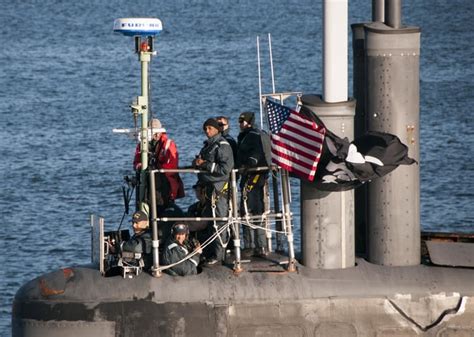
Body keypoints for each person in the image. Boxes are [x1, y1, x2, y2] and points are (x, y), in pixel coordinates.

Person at [192, 118, 234, 265]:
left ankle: (219, 255)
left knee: (219, 223)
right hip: (209, 190)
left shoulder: (222, 146)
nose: (207, 132)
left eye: (209, 128)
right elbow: (201, 162)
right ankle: (211, 253)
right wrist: (198, 163)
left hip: (219, 190)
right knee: (211, 223)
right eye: (205, 129)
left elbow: (225, 170)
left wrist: (205, 164)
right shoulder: (209, 146)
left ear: (216, 129)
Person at [236, 112, 270, 257]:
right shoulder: (245, 136)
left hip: (255, 177)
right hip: (247, 176)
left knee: (254, 210)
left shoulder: (254, 136)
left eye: (243, 121)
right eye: (239, 121)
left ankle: (257, 246)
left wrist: (249, 164)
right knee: (246, 210)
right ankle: (250, 245)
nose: (240, 123)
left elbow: (256, 154)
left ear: (249, 122)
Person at [133, 118, 184, 205]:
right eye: (154, 132)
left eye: (158, 131)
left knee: (164, 209)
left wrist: (155, 169)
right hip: (147, 186)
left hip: (165, 187)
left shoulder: (168, 144)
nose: (156, 135)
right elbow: (136, 162)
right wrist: (140, 166)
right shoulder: (142, 145)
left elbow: (171, 166)